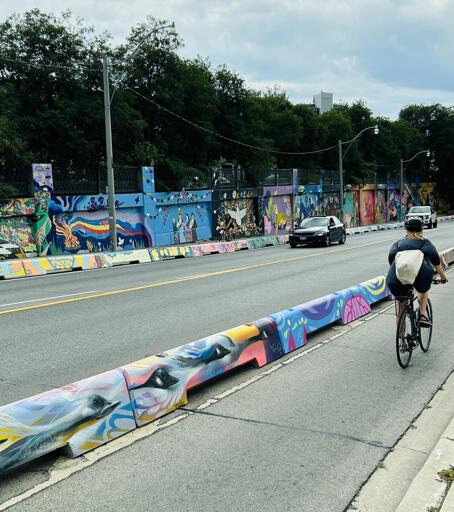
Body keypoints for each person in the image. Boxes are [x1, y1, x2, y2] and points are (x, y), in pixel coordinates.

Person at [387, 217, 447, 328]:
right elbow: (436, 262)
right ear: (421, 229)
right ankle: (423, 315)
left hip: (397, 278)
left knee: (400, 307)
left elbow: (391, 261)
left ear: (406, 229)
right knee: (423, 290)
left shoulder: (398, 244)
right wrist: (443, 277)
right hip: (421, 276)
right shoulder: (425, 244)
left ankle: (401, 341)